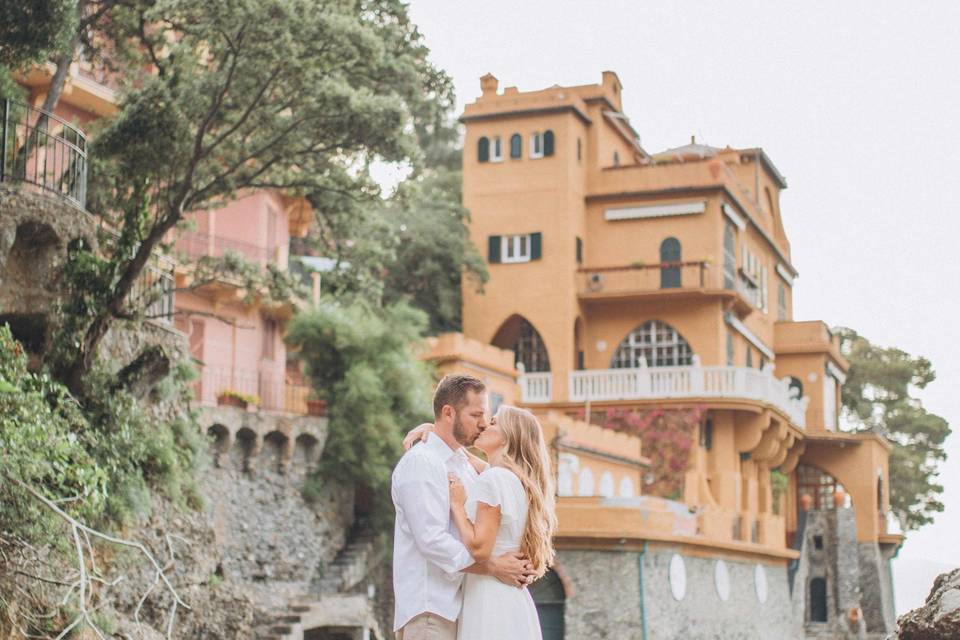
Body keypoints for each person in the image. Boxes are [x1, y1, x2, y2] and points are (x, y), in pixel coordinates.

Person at [391, 374, 535, 640]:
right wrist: (491, 566)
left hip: (462, 608)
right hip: (431, 610)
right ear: (448, 412)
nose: (483, 424)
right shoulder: (421, 463)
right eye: (476, 415)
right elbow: (431, 540)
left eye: (488, 417)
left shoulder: (465, 466)